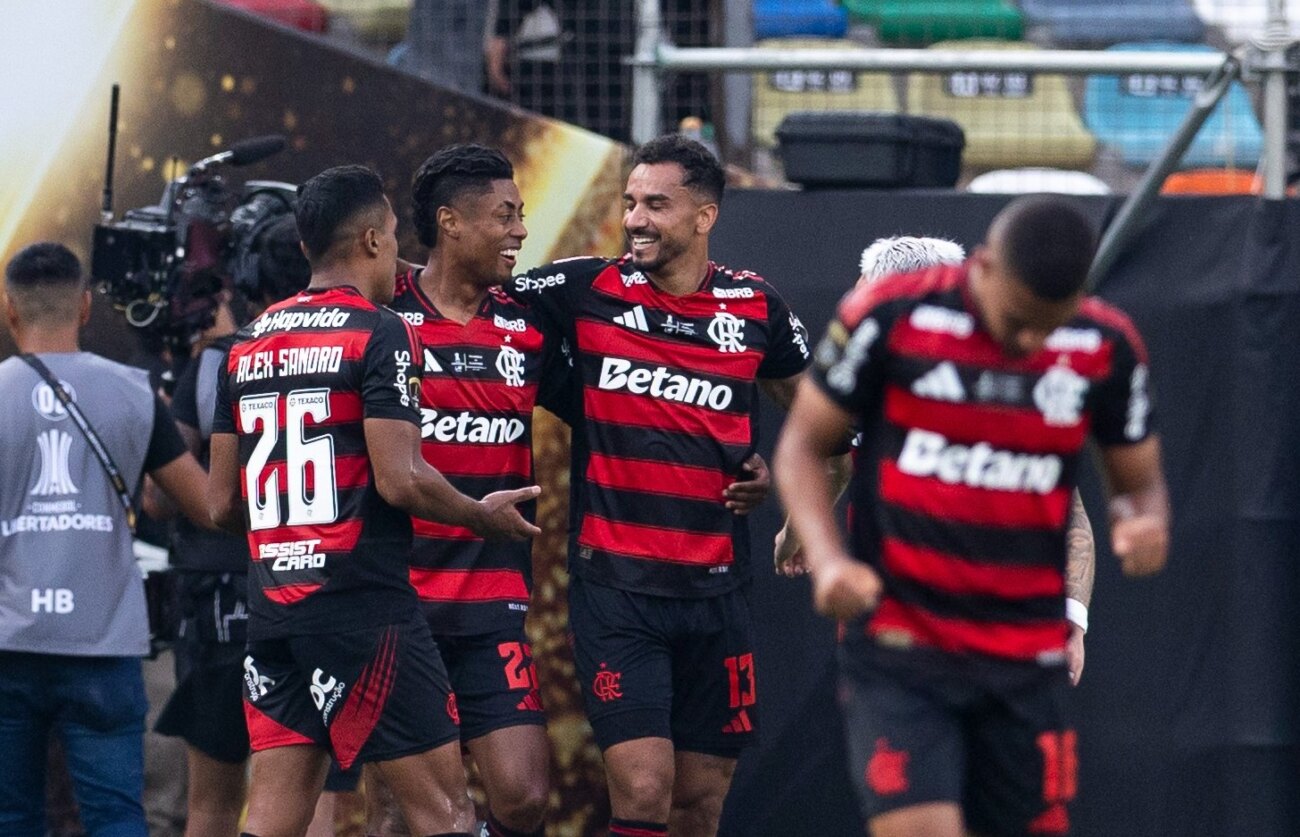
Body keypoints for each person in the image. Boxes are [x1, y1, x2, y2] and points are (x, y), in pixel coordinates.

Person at [774, 196, 1169, 837]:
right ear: (981, 269)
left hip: (1022, 653)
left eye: (1049, 324)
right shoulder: (890, 317)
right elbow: (804, 447)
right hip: (904, 645)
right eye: (1016, 320)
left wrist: (1142, 522)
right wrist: (827, 558)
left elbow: (1135, 486)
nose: (1028, 341)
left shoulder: (1103, 344)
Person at [206, 164, 541, 837]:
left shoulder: (245, 342)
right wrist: (482, 514)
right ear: (368, 242)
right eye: (391, 236)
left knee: (272, 818)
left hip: (273, 612)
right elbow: (401, 479)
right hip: (364, 608)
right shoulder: (380, 328)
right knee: (446, 811)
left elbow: (219, 504)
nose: (397, 251)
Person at [505, 134, 810, 837]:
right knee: (643, 790)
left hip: (718, 594)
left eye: (656, 204)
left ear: (704, 217)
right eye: (631, 201)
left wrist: (797, 505)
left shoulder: (754, 306)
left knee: (699, 799)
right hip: (617, 591)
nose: (636, 218)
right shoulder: (584, 289)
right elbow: (466, 293)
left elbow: (823, 426)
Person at [772, 234, 1096, 685]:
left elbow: (1069, 516)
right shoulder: (861, 383)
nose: (855, 308)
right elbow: (830, 455)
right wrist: (801, 535)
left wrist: (1070, 618)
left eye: (866, 294)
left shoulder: (1005, 388)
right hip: (888, 634)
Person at [0, 242, 212, 837]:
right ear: (86, 307)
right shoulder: (132, 393)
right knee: (117, 817)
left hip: (8, 643)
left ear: (9, 309)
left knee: (10, 817)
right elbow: (204, 505)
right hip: (103, 647)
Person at [379, 144, 553, 837]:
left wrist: (735, 459)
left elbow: (611, 405)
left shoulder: (531, 321)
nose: (519, 231)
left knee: (524, 796)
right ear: (450, 223)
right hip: (398, 599)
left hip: (492, 603)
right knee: (410, 806)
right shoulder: (383, 314)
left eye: (521, 215)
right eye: (504, 216)